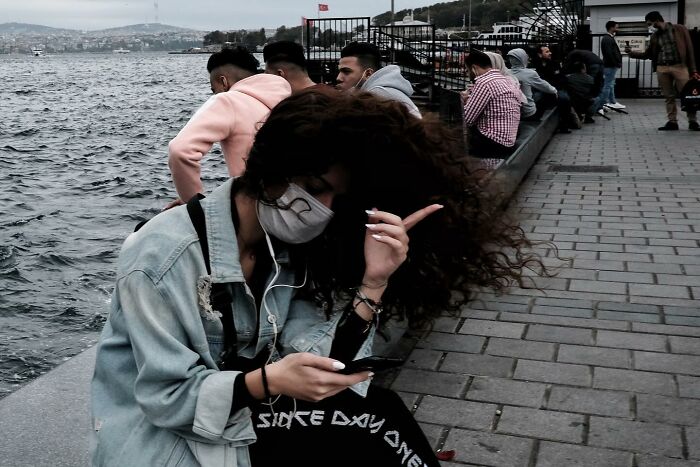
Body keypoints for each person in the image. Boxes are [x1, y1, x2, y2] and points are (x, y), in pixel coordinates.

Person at [91, 88, 547, 466]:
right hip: (172, 443)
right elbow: (166, 398)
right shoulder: (164, 256)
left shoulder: (294, 248)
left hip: (249, 417)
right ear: (270, 169)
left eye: (337, 196)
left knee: (374, 414)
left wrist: (374, 280)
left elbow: (323, 366)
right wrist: (266, 382)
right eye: (312, 188)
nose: (323, 208)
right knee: (370, 425)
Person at [166, 47, 291, 208]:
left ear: (224, 82)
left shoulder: (228, 100)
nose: (214, 94)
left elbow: (180, 151)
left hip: (256, 212)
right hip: (296, 205)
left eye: (214, 89)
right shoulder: (287, 98)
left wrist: (193, 204)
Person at [627, 11, 700, 131]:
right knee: (668, 96)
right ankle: (672, 122)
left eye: (651, 23)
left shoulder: (679, 29)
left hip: (680, 66)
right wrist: (632, 54)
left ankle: (693, 122)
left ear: (656, 20)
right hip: (662, 67)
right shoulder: (655, 36)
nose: (651, 26)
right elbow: (648, 54)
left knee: (688, 95)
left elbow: (689, 49)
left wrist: (693, 69)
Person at [335, 41, 421, 118]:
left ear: (368, 74)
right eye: (339, 71)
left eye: (346, 72)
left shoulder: (377, 97)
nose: (338, 78)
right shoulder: (379, 92)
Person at [463, 48, 522, 157]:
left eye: (467, 70)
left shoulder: (484, 82)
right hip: (509, 139)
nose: (467, 74)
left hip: (493, 142)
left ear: (474, 68)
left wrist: (465, 101)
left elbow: (467, 119)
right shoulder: (506, 80)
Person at [506, 48, 559, 121]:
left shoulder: (506, 73)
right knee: (549, 94)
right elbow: (546, 87)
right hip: (529, 113)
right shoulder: (530, 73)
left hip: (512, 112)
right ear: (523, 58)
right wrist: (555, 91)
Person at [564, 49, 606, 117]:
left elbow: (567, 66)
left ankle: (586, 106)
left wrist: (567, 74)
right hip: (600, 63)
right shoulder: (582, 53)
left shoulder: (571, 55)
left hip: (592, 64)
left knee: (587, 84)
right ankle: (599, 107)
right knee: (599, 85)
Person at [597, 20, 625, 111]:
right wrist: (616, 63)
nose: (618, 28)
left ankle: (612, 102)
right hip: (610, 65)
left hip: (610, 65)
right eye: (616, 27)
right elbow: (609, 53)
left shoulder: (608, 38)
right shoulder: (607, 39)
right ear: (611, 27)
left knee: (610, 84)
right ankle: (601, 105)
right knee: (608, 85)